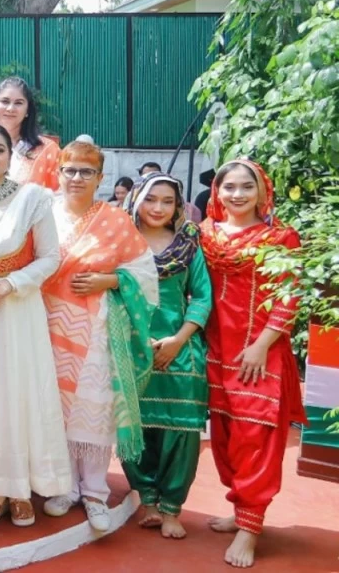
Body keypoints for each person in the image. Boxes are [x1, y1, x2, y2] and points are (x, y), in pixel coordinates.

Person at [0, 124, 71, 528]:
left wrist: (12, 283)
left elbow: (50, 257)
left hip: (18, 307)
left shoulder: (33, 198)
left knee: (17, 393)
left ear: (10, 156)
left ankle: (20, 488)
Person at [40, 140, 159, 532]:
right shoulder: (43, 213)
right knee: (54, 405)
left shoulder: (116, 220)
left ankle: (93, 491)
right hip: (45, 322)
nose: (77, 178)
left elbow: (144, 272)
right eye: (70, 170)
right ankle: (63, 486)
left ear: (100, 178)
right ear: (58, 173)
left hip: (96, 327)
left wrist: (109, 280)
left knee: (93, 406)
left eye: (86, 172)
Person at [199, 160, 304, 569]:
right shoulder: (205, 234)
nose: (238, 194)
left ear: (263, 192)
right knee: (225, 437)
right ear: (217, 192)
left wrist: (262, 345)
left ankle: (249, 528)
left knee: (255, 439)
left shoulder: (281, 237)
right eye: (229, 187)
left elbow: (289, 295)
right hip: (215, 349)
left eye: (247, 186)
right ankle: (241, 509)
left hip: (260, 353)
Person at [118, 172, 212, 540]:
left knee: (181, 431)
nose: (158, 207)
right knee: (134, 425)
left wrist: (177, 340)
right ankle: (149, 500)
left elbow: (202, 296)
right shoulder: (121, 241)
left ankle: (172, 507)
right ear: (137, 200)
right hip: (131, 346)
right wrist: (141, 340)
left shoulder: (188, 245)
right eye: (151, 199)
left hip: (180, 349)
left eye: (168, 201)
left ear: (178, 207)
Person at [0, 77, 60, 191]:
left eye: (18, 103)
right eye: (5, 101)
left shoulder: (48, 150)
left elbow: (60, 196)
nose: (11, 108)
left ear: (27, 111)